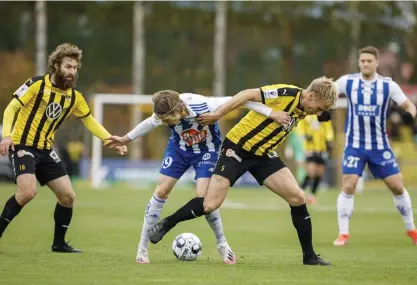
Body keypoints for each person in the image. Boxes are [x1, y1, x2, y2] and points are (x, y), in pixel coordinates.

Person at [148, 77, 338, 266]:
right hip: (237, 149)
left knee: (298, 197)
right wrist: (217, 115)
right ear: (311, 95)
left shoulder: (307, 107)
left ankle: (309, 257)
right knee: (209, 205)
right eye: (319, 107)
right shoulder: (286, 93)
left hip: (263, 154)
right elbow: (247, 95)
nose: (317, 112)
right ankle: (168, 223)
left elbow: (318, 111)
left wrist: (323, 114)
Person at [106, 90, 272, 264]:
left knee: (205, 199)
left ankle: (222, 243)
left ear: (178, 109)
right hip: (179, 150)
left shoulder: (202, 104)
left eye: (168, 119)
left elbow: (242, 100)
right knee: (162, 190)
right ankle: (142, 247)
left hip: (206, 152)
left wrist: (271, 113)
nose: (165, 123)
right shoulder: (165, 111)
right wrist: (125, 139)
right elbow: (149, 123)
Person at [0, 43, 127, 253]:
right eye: (68, 66)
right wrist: (7, 136)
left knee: (68, 197)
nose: (72, 72)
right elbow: (12, 107)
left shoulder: (74, 97)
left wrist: (109, 139)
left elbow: (89, 121)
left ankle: (59, 244)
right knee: (27, 193)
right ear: (56, 65)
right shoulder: (36, 84)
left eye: (75, 68)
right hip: (23, 145)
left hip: (46, 150)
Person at [333, 46, 417, 246]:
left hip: (380, 146)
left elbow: (409, 106)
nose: (365, 64)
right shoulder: (348, 82)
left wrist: (409, 116)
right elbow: (329, 93)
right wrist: (324, 109)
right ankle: (343, 233)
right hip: (354, 145)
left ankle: (411, 228)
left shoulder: (388, 86)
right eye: (362, 61)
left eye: (369, 61)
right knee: (349, 184)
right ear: (359, 62)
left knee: (397, 186)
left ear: (376, 63)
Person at [297, 113, 334, 205]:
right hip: (310, 148)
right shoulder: (307, 116)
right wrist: (305, 135)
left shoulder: (324, 117)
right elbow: (300, 129)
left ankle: (312, 195)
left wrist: (329, 141)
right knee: (311, 171)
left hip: (322, 148)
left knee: (319, 172)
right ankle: (299, 192)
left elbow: (328, 130)